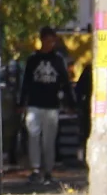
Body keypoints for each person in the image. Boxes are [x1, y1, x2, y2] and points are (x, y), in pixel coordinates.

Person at [17, 26, 74, 186]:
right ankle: (36, 169)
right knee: (33, 136)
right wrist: (22, 103)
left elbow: (65, 83)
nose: (50, 44)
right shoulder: (33, 60)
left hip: (51, 106)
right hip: (34, 104)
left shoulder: (57, 61)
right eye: (48, 41)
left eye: (52, 41)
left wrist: (70, 103)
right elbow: (25, 83)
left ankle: (48, 170)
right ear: (42, 40)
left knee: (49, 141)